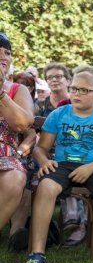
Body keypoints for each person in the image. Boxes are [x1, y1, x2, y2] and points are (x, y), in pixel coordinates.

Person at [19, 65, 93, 263]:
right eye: (74, 89)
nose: (76, 94)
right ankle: (37, 255)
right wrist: (43, 162)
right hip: (62, 164)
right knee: (46, 187)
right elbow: (41, 149)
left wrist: (90, 167)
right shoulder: (58, 114)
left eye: (83, 90)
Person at [41, 62, 88, 247]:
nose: (54, 80)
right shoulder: (40, 104)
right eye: (50, 77)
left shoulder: (78, 104)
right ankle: (44, 229)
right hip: (48, 153)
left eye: (58, 76)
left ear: (68, 81)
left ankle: (77, 221)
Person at [0, 32, 35, 249]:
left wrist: (1, 93)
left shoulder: (16, 90)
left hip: (6, 153)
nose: (3, 56)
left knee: (15, 177)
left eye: (7, 52)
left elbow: (23, 124)